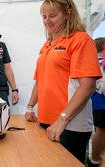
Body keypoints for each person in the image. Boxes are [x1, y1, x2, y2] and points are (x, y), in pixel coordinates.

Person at [24, 0, 102, 163]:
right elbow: (40, 80)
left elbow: (87, 86)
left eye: (53, 15)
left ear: (67, 14)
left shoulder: (80, 40)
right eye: (44, 16)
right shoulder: (46, 45)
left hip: (70, 124)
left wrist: (62, 120)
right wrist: (30, 106)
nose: (47, 21)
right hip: (45, 120)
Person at [89, 37, 105, 167]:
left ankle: (98, 157)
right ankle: (95, 160)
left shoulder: (92, 63)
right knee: (101, 131)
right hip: (102, 102)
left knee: (99, 131)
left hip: (94, 102)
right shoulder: (103, 63)